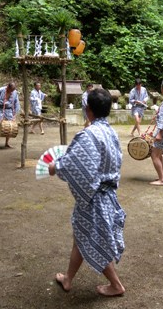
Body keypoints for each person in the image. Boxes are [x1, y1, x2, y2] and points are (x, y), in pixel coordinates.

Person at [49, 88, 126, 297]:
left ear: (88, 110)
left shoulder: (89, 135)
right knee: (81, 237)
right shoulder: (111, 132)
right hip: (107, 193)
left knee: (94, 239)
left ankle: (116, 284)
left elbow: (74, 165)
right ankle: (68, 278)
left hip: (95, 197)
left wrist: (55, 167)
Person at [0, 82, 20, 149]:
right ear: (8, 87)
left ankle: (7, 143)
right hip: (0, 109)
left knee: (10, 126)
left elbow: (16, 102)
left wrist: (15, 114)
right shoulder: (0, 90)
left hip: (9, 110)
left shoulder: (15, 92)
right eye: (10, 90)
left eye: (12, 90)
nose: (11, 92)